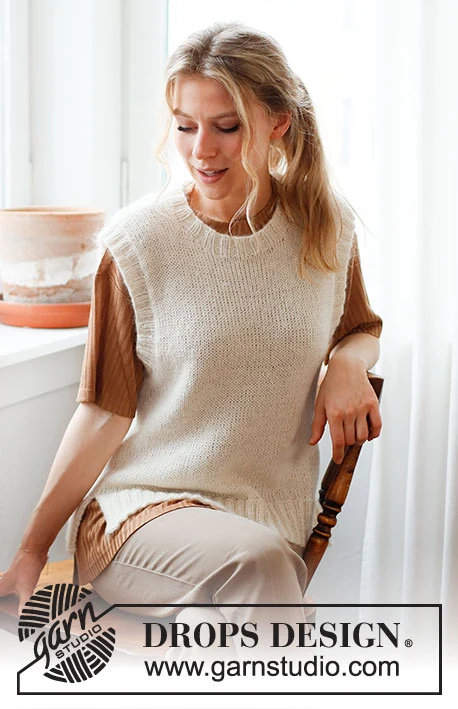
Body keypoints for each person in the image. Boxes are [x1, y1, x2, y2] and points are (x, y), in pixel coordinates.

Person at [0, 23, 382, 641]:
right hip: (141, 515)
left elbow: (361, 328)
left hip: (266, 525)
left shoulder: (325, 229)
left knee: (244, 612)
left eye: (226, 126)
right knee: (262, 580)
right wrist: (30, 551)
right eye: (184, 125)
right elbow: (103, 414)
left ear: (278, 122)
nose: (201, 149)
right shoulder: (140, 243)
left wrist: (346, 360)